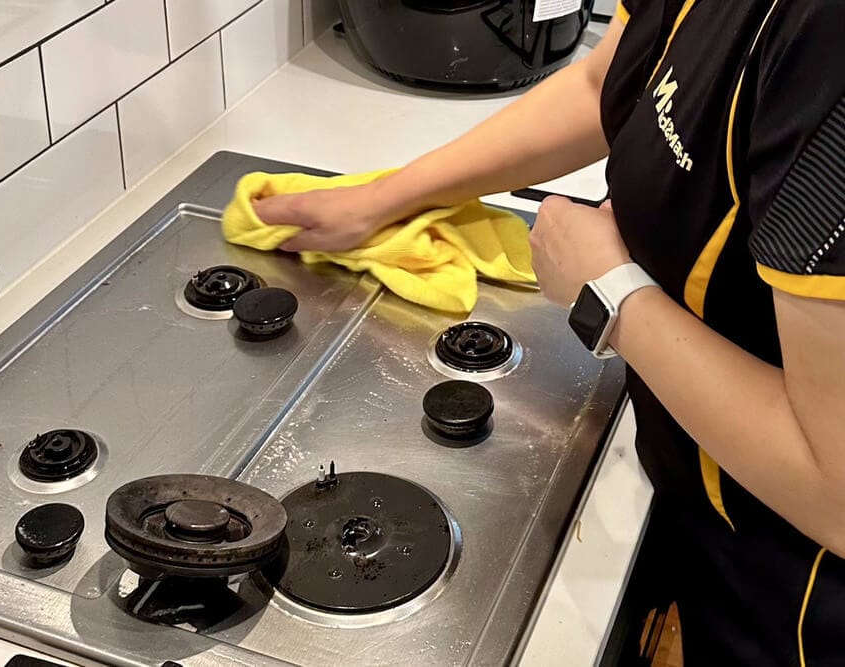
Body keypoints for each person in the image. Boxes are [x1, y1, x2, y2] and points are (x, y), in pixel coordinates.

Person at [253, 1, 845, 664]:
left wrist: (612, 295)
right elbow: (605, 81)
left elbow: (836, 489)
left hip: (796, 606)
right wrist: (386, 197)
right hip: (705, 519)